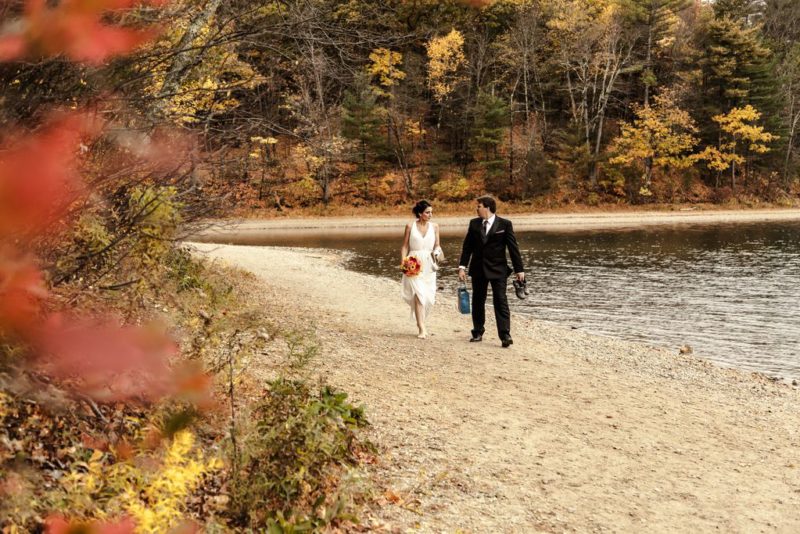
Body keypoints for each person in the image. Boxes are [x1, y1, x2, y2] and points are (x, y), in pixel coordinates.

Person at [458, 195, 525, 348]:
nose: (477, 209)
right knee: (478, 301)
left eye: (479, 206)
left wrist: (519, 269)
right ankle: (477, 331)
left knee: (500, 301)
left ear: (487, 207)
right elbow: (467, 247)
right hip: (478, 269)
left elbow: (513, 248)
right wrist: (462, 267)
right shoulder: (474, 224)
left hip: (498, 269)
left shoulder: (505, 224)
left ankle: (505, 335)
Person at [401, 199, 443, 339]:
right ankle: (421, 327)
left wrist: (438, 252)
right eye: (427, 212)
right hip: (413, 262)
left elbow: (437, 245)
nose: (430, 215)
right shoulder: (409, 226)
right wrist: (404, 261)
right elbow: (405, 246)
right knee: (418, 294)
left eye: (431, 212)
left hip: (429, 264)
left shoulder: (435, 227)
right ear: (420, 213)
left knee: (428, 297)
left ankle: (421, 322)